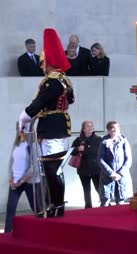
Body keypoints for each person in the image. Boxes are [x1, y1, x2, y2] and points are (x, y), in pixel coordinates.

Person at [18, 28, 74, 217]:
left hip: (51, 128)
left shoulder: (51, 81)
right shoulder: (64, 79)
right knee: (55, 169)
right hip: (59, 126)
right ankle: (57, 204)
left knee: (52, 169)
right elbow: (71, 99)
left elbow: (39, 103)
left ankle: (56, 205)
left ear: (46, 63)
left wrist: (24, 116)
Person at [4, 122, 37, 232]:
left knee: (36, 209)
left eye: (23, 128)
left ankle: (42, 231)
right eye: (18, 128)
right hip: (15, 182)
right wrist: (11, 178)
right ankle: (7, 234)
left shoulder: (32, 145)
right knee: (10, 209)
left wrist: (22, 180)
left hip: (29, 182)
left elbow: (34, 167)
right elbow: (11, 162)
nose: (20, 131)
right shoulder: (16, 144)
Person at [98, 121, 133, 206]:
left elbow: (128, 159)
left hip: (121, 176)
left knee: (120, 200)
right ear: (108, 131)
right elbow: (100, 159)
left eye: (116, 129)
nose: (114, 132)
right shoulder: (103, 142)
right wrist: (111, 173)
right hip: (107, 176)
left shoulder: (124, 141)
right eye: (112, 130)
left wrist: (119, 174)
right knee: (105, 201)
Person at [70, 120, 102, 208]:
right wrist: (77, 149)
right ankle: (88, 206)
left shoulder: (98, 139)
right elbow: (71, 152)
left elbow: (100, 152)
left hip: (96, 168)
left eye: (91, 126)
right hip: (83, 169)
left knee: (99, 188)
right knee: (86, 190)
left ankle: (105, 204)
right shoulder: (78, 140)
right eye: (88, 126)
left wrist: (86, 150)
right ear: (83, 129)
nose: (90, 128)